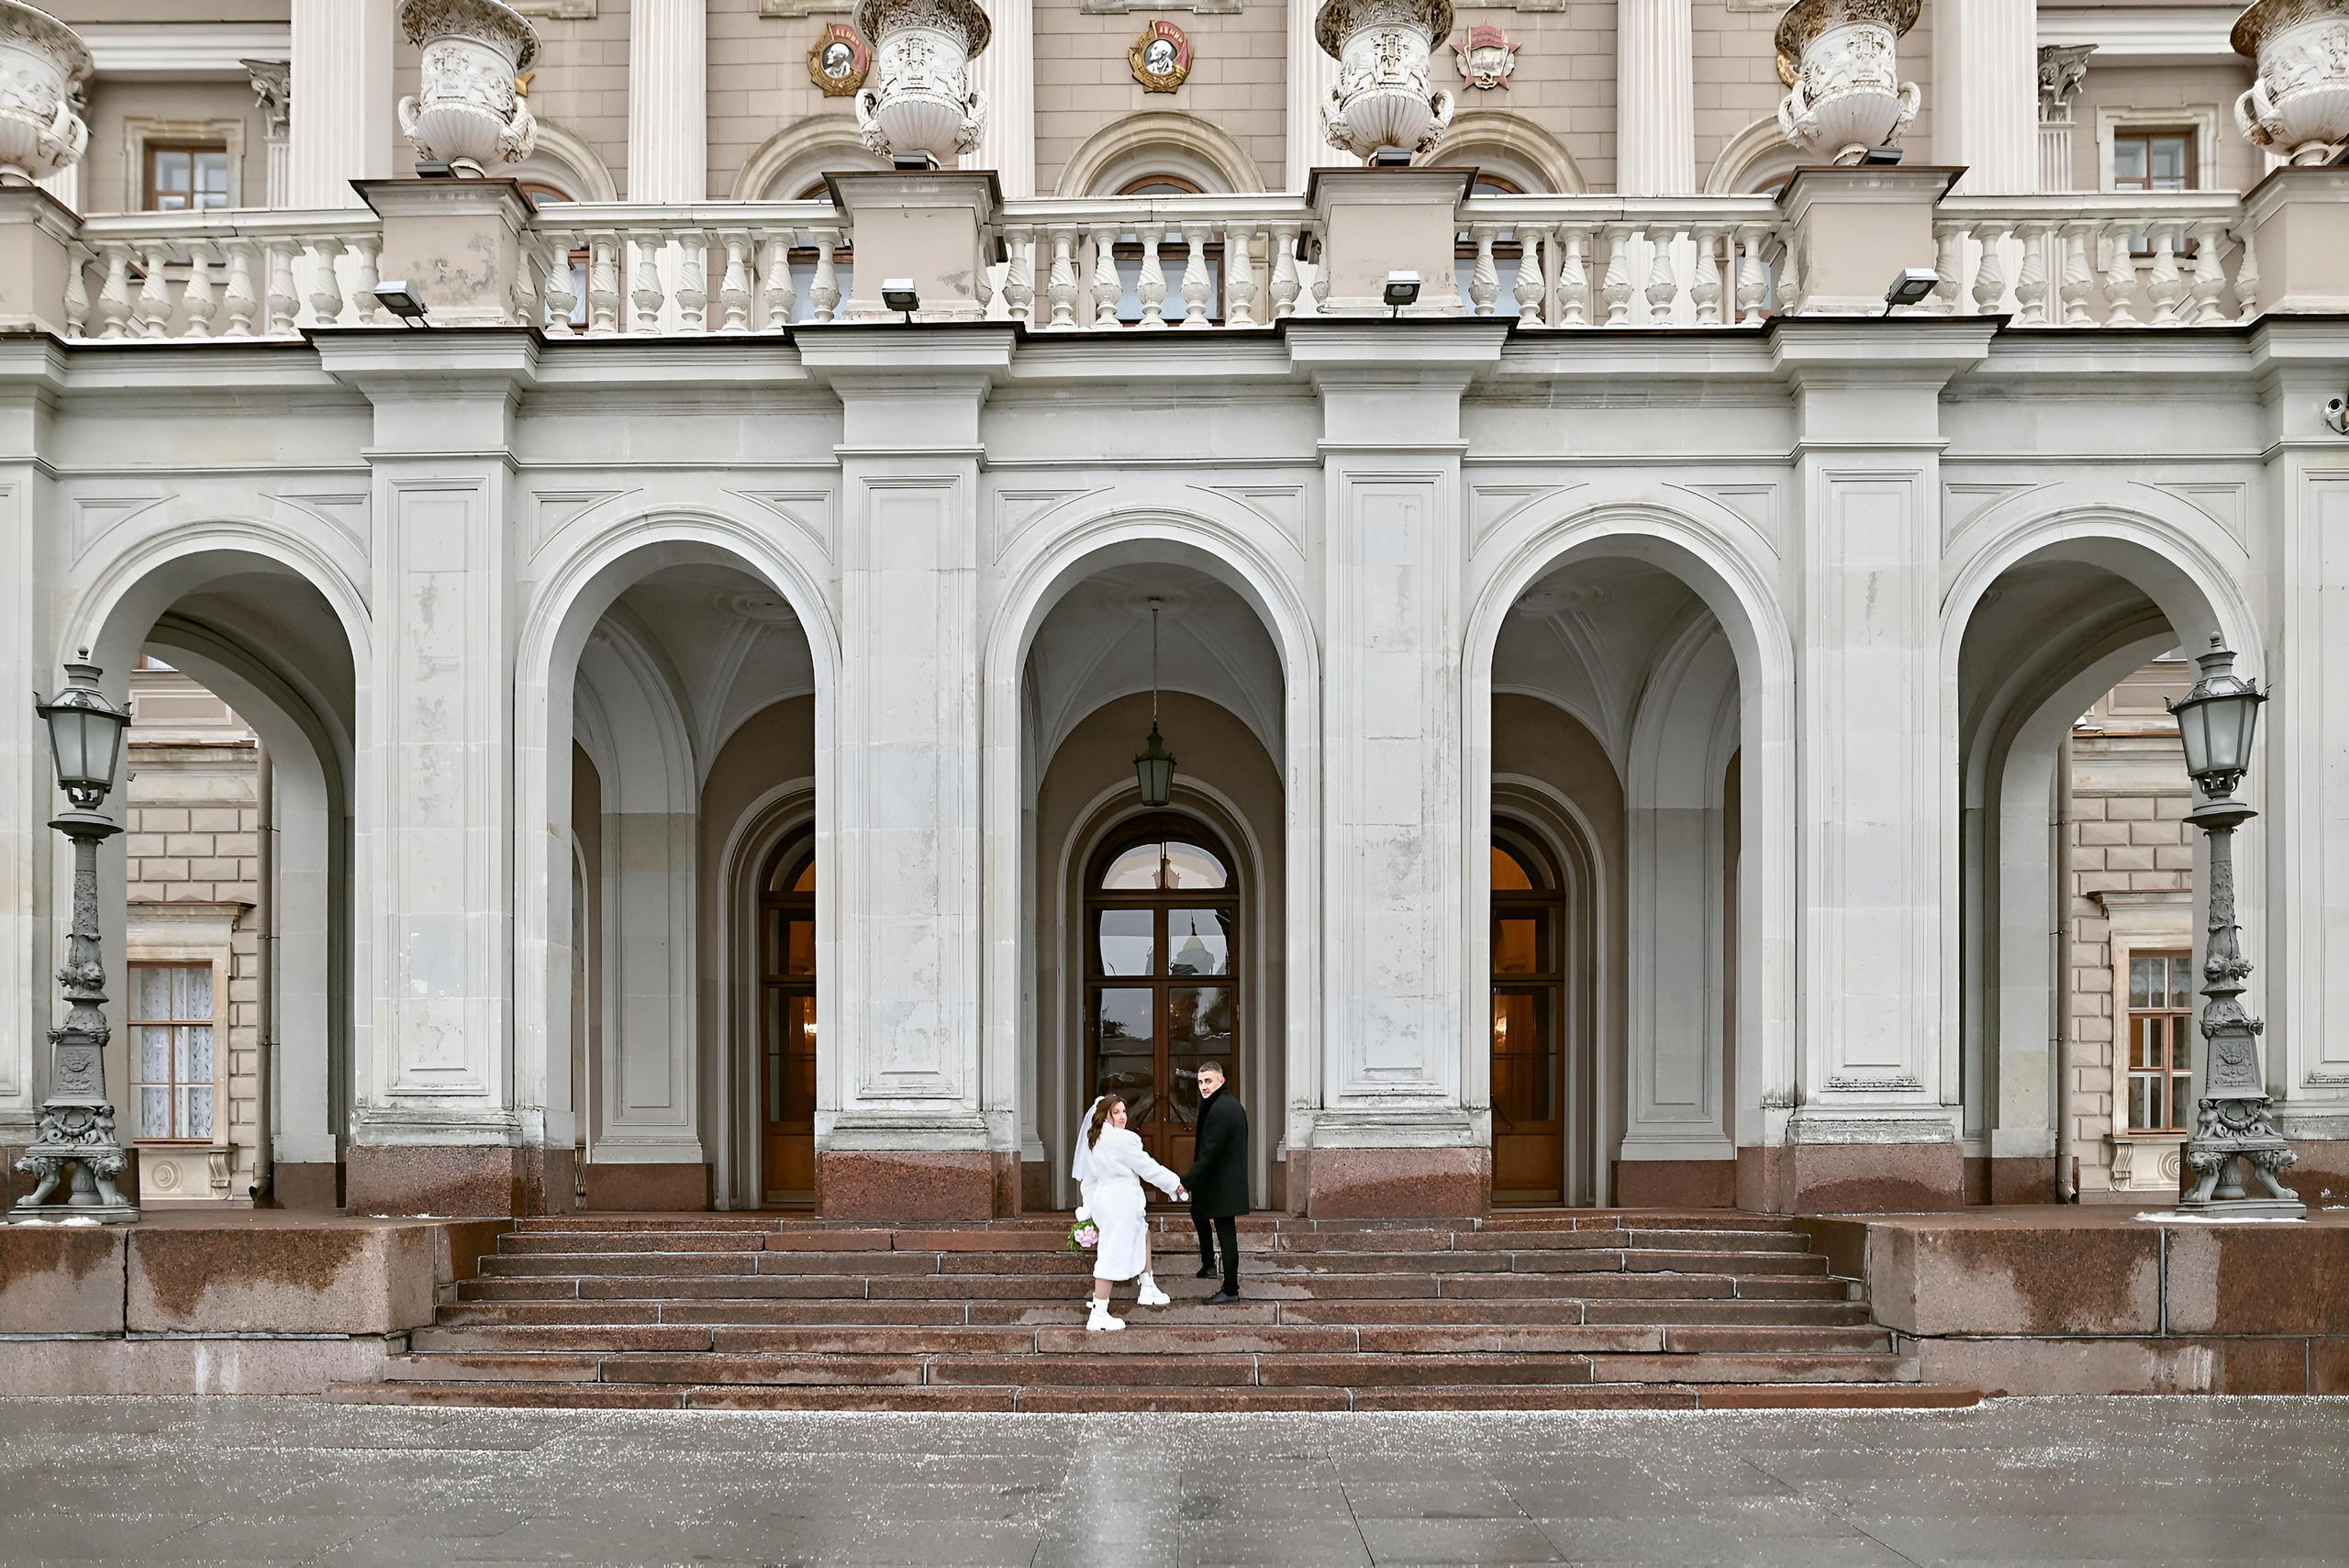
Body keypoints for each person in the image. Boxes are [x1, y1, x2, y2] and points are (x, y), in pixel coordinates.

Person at [1072, 1095, 1187, 1332]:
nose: (1123, 1116)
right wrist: (1174, 1184)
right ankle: (1099, 1313)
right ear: (1105, 1115)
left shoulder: (1094, 1140)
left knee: (1143, 1234)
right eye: (1116, 1112)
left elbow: (1089, 1180)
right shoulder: (1122, 1140)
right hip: (1120, 1203)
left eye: (1124, 1111)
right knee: (1110, 1255)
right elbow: (1148, 1167)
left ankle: (1148, 1287)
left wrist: (1089, 1208)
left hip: (1107, 1201)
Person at [1185, 1061, 1248, 1304]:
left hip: (1221, 1182)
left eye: (1208, 1081)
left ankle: (1231, 1289)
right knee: (1198, 1213)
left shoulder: (1221, 1108)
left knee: (1226, 1234)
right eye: (1200, 1082)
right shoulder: (1223, 1104)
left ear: (1221, 1081)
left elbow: (1209, 1152)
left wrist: (1186, 1181)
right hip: (1217, 1180)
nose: (1203, 1086)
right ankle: (1209, 1264)